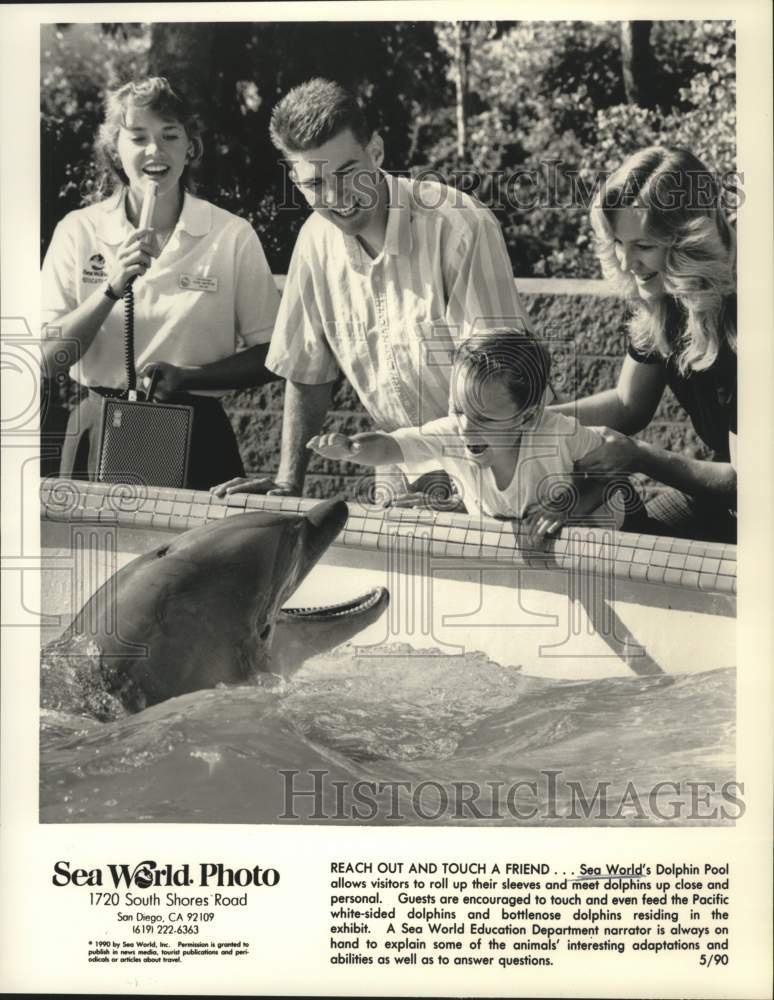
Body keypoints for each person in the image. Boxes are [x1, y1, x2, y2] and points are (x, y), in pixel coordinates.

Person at [212, 78, 529, 502]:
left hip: (505, 464)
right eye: (314, 184)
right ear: (295, 178)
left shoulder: (461, 225)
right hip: (398, 463)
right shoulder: (313, 242)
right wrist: (288, 482)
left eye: (347, 173)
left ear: (376, 151)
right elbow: (307, 372)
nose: (336, 196)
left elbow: (500, 383)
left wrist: (464, 491)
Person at [41, 76, 281, 490]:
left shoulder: (231, 234)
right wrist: (111, 289)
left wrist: (190, 377)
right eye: (138, 137)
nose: (155, 150)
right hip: (98, 428)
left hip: (198, 434)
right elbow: (47, 360)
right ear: (114, 149)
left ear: (191, 147)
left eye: (170, 135)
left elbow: (273, 355)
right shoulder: (78, 230)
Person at [552, 146, 737, 543]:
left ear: (691, 241)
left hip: (753, 503)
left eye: (644, 246)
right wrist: (532, 422)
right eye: (620, 243)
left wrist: (639, 456)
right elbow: (628, 404)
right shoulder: (666, 300)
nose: (626, 262)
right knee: (621, 545)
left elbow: (749, 483)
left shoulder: (747, 318)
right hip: (722, 497)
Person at [308, 330, 623, 544]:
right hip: (526, 542)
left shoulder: (556, 432)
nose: (466, 428)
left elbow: (612, 472)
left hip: (610, 537)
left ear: (527, 417)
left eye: (484, 418)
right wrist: (352, 447)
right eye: (458, 410)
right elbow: (391, 446)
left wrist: (568, 504)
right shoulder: (452, 434)